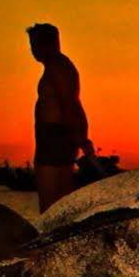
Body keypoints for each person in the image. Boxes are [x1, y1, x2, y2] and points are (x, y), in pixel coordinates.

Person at [27, 23, 92, 212]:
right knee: (58, 205)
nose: (33, 50)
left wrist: (81, 138)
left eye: (34, 44)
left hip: (54, 139)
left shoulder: (58, 67)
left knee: (50, 207)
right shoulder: (57, 66)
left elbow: (70, 104)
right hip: (55, 138)